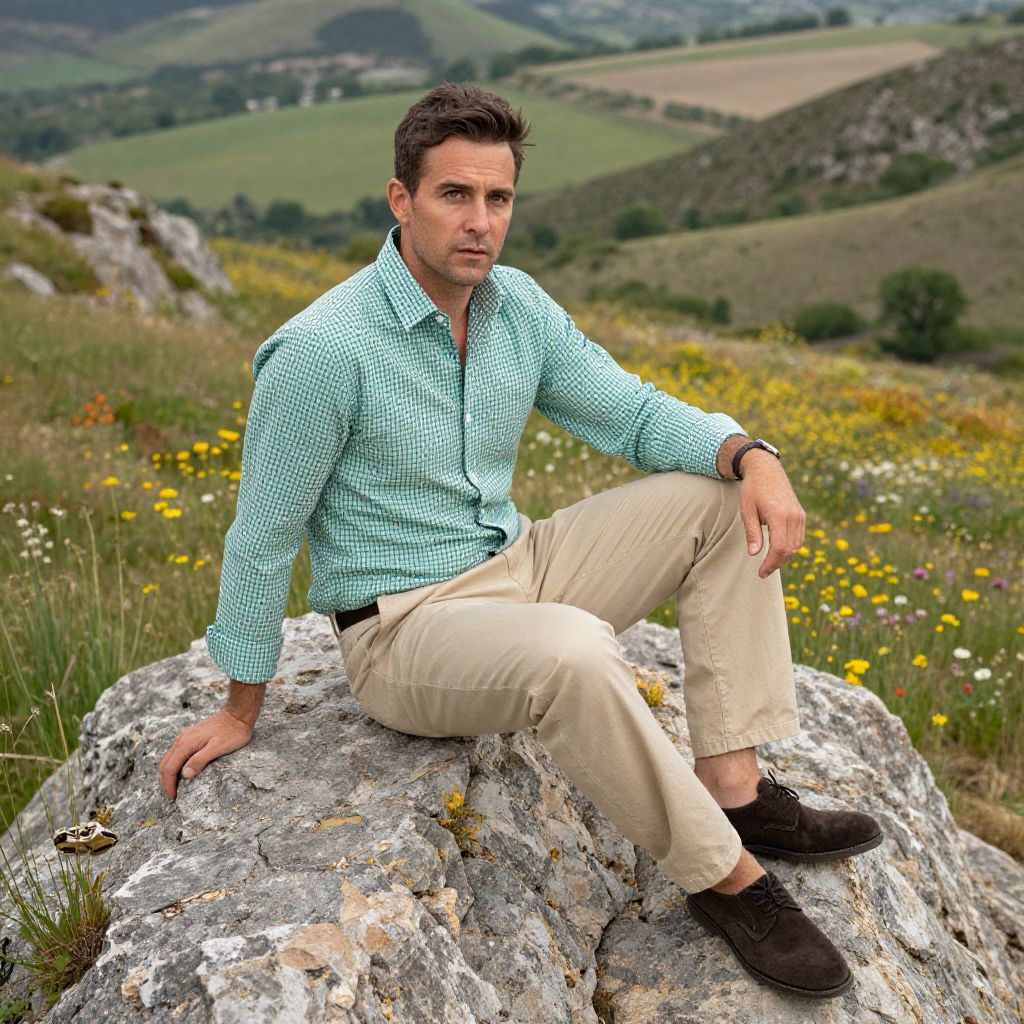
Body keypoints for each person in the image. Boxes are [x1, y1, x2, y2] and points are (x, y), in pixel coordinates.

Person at [159, 82, 881, 1000]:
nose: (480, 221)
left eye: (497, 199)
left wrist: (752, 454)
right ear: (401, 200)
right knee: (576, 651)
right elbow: (261, 537)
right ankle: (726, 878)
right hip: (403, 630)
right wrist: (239, 707)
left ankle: (736, 789)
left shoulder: (517, 307)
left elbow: (629, 412)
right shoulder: (322, 350)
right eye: (454, 195)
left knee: (712, 495)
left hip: (520, 567)